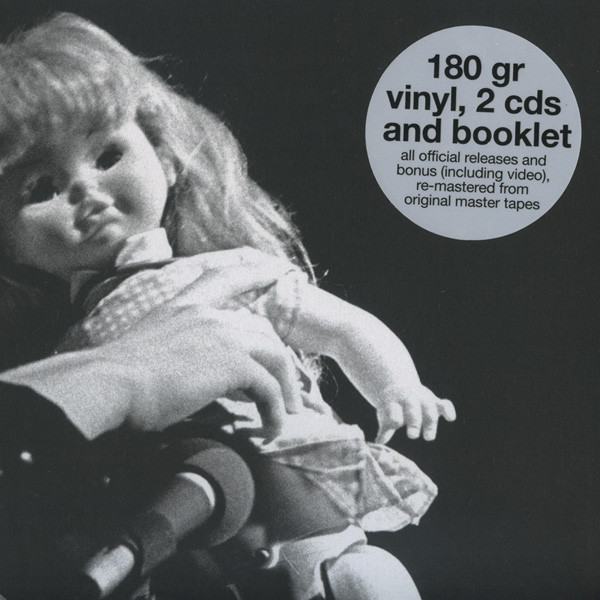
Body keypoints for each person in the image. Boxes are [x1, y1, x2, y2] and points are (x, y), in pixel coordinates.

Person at [0, 13, 456, 599]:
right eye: (41, 188)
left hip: (290, 502)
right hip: (186, 548)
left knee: (363, 579)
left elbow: (343, 328)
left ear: (165, 159)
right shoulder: (64, 359)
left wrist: (396, 386)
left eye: (108, 155)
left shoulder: (225, 273)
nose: (85, 190)